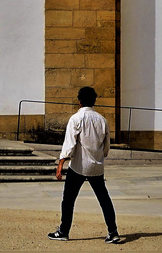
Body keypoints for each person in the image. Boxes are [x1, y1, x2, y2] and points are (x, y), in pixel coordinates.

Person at [48, 86, 121, 244]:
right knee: (104, 199)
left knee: (68, 199)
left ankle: (63, 231)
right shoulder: (102, 120)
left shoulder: (76, 118)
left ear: (79, 101)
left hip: (79, 167)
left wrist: (61, 163)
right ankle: (113, 232)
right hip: (97, 167)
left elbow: (69, 144)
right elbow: (106, 146)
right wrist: (100, 157)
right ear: (94, 101)